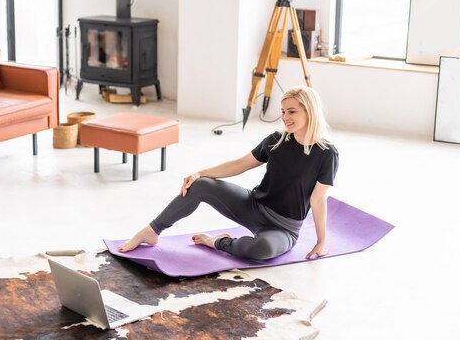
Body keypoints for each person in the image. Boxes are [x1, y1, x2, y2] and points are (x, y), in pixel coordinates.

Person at [119, 85, 339, 261]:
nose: (285, 117)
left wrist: (321, 241)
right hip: (253, 206)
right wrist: (200, 173)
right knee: (201, 185)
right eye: (283, 112)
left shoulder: (327, 154)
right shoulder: (276, 141)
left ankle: (217, 242)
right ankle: (152, 230)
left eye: (292, 111)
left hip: (284, 227)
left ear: (309, 112)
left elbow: (318, 200)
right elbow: (240, 164)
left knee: (261, 250)